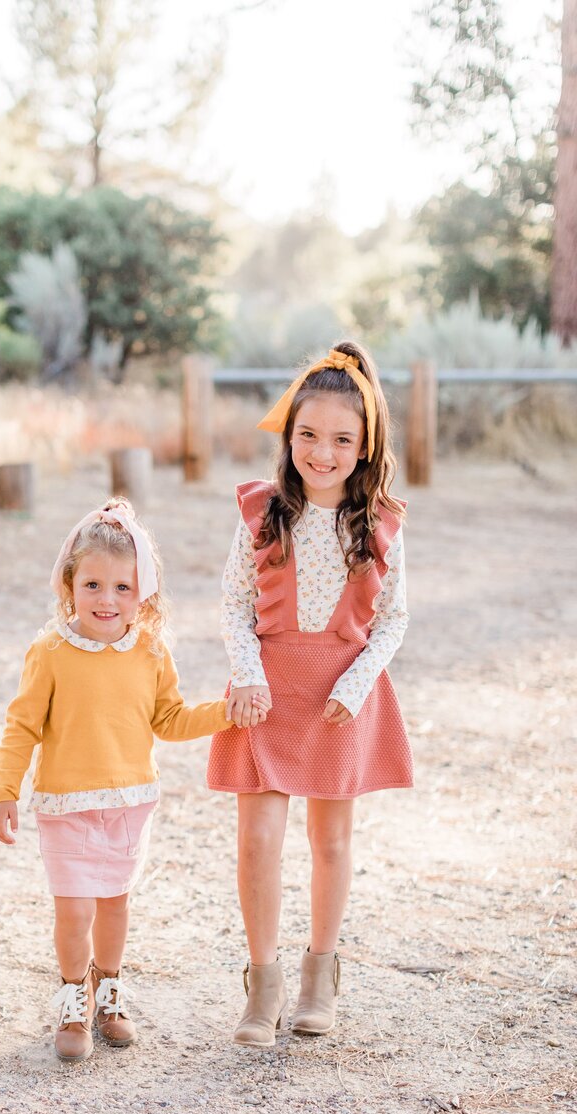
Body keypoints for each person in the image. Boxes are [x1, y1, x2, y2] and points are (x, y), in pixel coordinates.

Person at [0, 499, 268, 1062]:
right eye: (93, 585)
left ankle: (108, 991)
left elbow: (170, 719)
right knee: (75, 911)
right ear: (69, 585)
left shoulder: (149, 652)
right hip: (66, 806)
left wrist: (225, 712)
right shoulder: (50, 652)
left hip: (129, 803)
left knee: (115, 906)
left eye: (123, 587)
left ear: (143, 593)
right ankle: (73, 999)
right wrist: (4, 790)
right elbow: (21, 726)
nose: (107, 599)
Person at [207, 341, 414, 1047]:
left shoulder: (380, 525)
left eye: (341, 439)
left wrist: (357, 684)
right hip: (266, 692)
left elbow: (393, 619)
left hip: (339, 699)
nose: (322, 453)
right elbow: (234, 604)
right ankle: (261, 986)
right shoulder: (262, 514)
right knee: (257, 840)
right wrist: (248, 672)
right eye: (308, 435)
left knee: (330, 839)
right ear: (288, 435)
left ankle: (318, 979)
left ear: (366, 446)